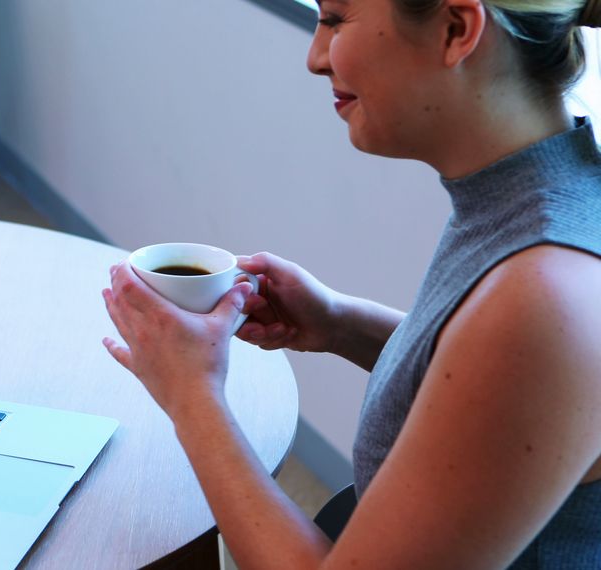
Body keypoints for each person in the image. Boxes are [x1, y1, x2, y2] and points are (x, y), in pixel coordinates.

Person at [102, 0, 601, 566]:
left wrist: (192, 396)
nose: (316, 58)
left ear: (456, 29)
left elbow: (521, 350)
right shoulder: (535, 196)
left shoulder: (547, 295)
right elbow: (483, 393)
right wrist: (341, 324)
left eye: (336, 20)